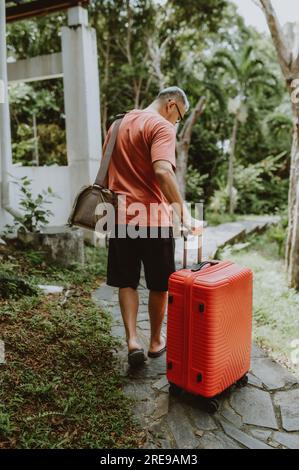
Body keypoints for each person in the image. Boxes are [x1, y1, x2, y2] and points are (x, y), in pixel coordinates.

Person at [101, 86, 202, 366]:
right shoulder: (161, 127)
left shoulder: (117, 124)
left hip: (121, 217)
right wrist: (185, 214)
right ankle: (156, 342)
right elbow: (161, 170)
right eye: (179, 116)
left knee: (126, 281)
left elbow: (109, 172)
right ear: (172, 105)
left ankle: (132, 339)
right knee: (160, 284)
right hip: (153, 219)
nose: (176, 122)